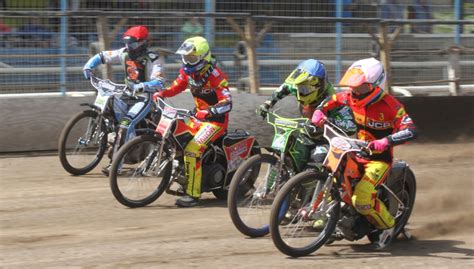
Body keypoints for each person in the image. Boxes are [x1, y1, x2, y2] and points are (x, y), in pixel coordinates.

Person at [311, 57, 417, 250]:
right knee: (333, 174)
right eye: (353, 87)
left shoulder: (391, 106)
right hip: (355, 150)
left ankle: (388, 226)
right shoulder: (349, 97)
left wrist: (386, 141)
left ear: (375, 85)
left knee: (362, 198)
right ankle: (330, 219)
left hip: (379, 160)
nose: (355, 92)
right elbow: (331, 100)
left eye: (360, 87)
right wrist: (319, 111)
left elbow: (411, 130)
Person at [153, 36, 232, 207]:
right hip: (196, 118)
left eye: (192, 58)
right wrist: (162, 93)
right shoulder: (188, 72)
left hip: (215, 122)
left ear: (203, 58)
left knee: (192, 149)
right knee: (177, 142)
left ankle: (193, 194)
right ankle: (183, 176)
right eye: (186, 58)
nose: (188, 62)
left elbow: (227, 103)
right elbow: (177, 86)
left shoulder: (217, 77)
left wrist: (209, 112)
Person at [83, 25, 165, 175]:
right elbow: (102, 56)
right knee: (109, 107)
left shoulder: (154, 59)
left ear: (143, 43)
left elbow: (159, 83)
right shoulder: (123, 53)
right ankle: (119, 141)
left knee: (125, 125)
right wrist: (88, 67)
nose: (129, 47)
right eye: (127, 43)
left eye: (132, 44)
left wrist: (141, 86)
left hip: (143, 99)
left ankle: (116, 165)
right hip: (127, 95)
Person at [257, 59, 356, 133]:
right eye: (299, 87)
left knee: (318, 157)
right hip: (305, 132)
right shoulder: (297, 86)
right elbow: (284, 88)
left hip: (324, 140)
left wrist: (328, 122)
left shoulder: (333, 98)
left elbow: (351, 127)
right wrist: (267, 104)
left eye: (304, 88)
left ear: (317, 85)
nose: (300, 92)